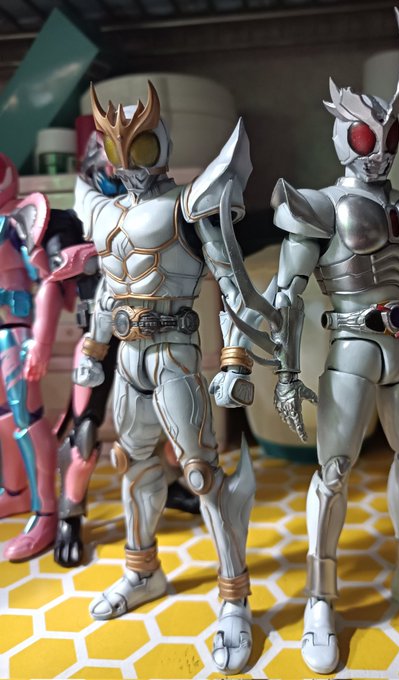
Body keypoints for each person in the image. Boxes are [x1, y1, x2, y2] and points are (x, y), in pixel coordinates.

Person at [220, 8, 399, 674]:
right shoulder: (320, 206)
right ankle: (321, 599)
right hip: (352, 348)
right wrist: (268, 361)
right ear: (342, 137)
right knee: (333, 475)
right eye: (364, 133)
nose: (378, 146)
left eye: (387, 132)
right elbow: (284, 294)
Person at [73, 81, 255, 675]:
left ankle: (234, 600)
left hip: (175, 353)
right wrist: (94, 345)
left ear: (163, 143)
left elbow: (232, 284)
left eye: (143, 146)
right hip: (128, 359)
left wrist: (234, 359)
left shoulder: (189, 204)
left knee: (200, 473)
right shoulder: (104, 212)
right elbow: (109, 290)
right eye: (118, 149)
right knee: (134, 465)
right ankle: (142, 571)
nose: (131, 161)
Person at [23, 134, 199, 569]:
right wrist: (41, 341)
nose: (119, 175)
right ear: (92, 168)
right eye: (109, 167)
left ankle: (168, 483)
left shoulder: (153, 213)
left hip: (149, 336)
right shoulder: (70, 221)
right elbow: (60, 274)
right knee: (85, 433)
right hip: (97, 345)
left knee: (170, 420)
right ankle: (71, 515)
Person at [0, 153, 58, 560]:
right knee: (4, 420)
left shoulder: (16, 220)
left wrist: (40, 340)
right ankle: (15, 492)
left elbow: (47, 279)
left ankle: (46, 512)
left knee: (28, 421)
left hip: (16, 333)